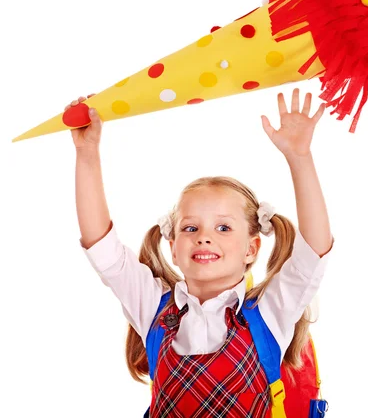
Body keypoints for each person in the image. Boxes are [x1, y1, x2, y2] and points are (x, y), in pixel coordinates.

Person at [69, 88, 333, 417]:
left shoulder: (270, 314)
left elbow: (314, 251)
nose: (204, 238)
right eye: (191, 228)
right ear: (173, 248)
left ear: (251, 249)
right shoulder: (152, 307)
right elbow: (101, 246)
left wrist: (300, 158)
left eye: (223, 228)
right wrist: (87, 153)